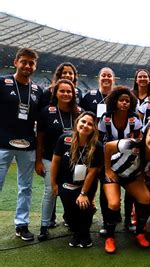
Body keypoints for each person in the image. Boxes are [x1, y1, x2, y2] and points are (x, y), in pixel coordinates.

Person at [102, 122, 150, 254]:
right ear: (144, 136)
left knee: (146, 198)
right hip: (114, 172)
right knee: (114, 203)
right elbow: (108, 146)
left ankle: (140, 232)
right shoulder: (131, 144)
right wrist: (107, 169)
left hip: (131, 177)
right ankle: (110, 237)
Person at [0, 47, 43, 241]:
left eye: (31, 63)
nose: (27, 66)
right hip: (2, 143)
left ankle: (21, 224)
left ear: (35, 66)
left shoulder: (37, 90)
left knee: (25, 187)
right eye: (24, 61)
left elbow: (41, 120)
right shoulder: (3, 83)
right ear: (16, 62)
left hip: (27, 144)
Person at [36, 79, 82, 241]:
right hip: (50, 158)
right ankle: (44, 225)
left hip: (74, 161)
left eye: (69, 91)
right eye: (62, 91)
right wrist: (38, 160)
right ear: (55, 93)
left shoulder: (78, 112)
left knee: (74, 190)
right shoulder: (47, 111)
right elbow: (40, 137)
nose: (66, 94)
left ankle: (75, 222)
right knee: (51, 191)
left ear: (73, 94)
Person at [50, 112, 102, 248]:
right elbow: (55, 162)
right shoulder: (64, 139)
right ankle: (76, 232)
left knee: (84, 208)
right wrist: (54, 184)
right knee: (70, 212)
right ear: (77, 122)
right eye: (83, 122)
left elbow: (92, 172)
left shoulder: (97, 146)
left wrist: (84, 193)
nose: (85, 125)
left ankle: (84, 234)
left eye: (90, 124)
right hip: (65, 183)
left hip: (85, 186)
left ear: (94, 128)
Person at [98, 86, 142, 234]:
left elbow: (137, 141)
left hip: (127, 161)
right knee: (106, 191)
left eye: (127, 101)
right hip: (108, 160)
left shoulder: (134, 119)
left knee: (130, 192)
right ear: (115, 101)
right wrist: (106, 168)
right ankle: (107, 222)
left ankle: (128, 221)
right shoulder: (106, 117)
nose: (124, 103)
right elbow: (100, 141)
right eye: (121, 100)